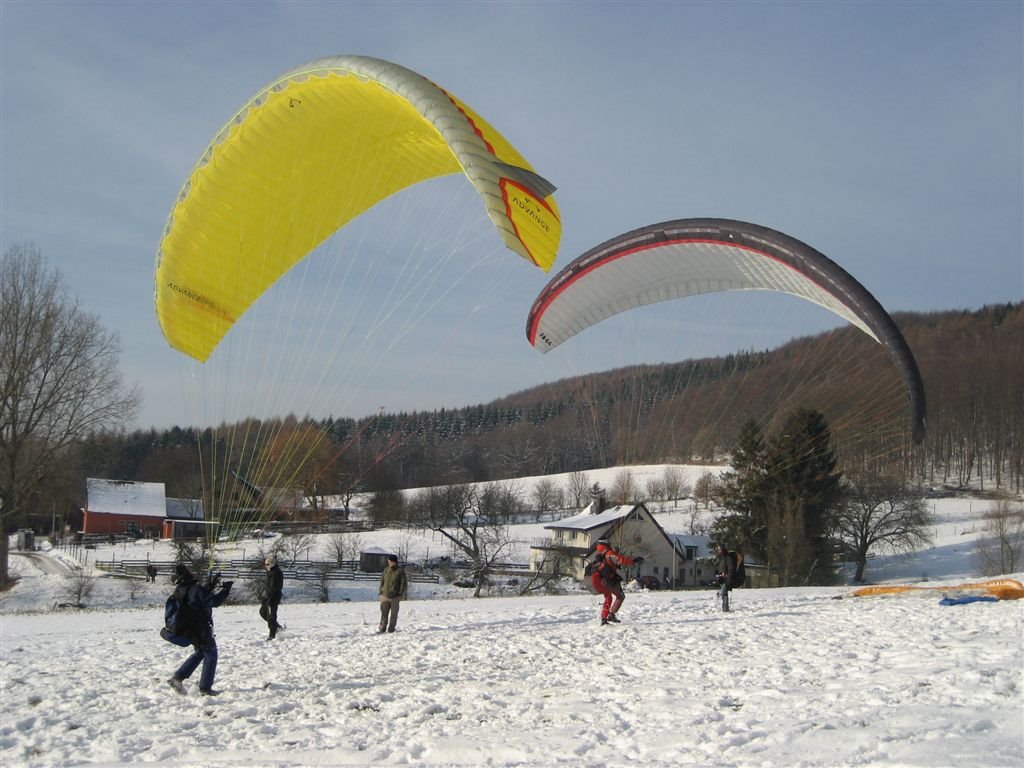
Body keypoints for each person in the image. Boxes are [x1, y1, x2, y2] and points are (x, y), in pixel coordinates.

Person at [167, 565, 232, 696]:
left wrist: (209, 587)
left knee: (201, 652)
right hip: (200, 628)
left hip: (190, 628)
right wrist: (226, 590)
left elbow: (197, 600)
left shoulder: (181, 589)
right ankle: (205, 688)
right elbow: (213, 601)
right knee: (211, 654)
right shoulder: (195, 589)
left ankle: (177, 678)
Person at [590, 538, 636, 625]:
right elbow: (622, 560)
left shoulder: (600, 555)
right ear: (606, 544)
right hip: (610, 580)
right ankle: (611, 615)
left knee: (608, 598)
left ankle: (604, 619)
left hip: (601, 580)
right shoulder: (609, 553)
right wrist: (634, 560)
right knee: (620, 596)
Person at [378, 554, 407, 633]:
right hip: (384, 596)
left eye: (390, 561)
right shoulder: (386, 570)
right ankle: (382, 628)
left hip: (394, 597)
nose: (389, 562)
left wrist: (400, 594)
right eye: (388, 561)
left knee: (393, 615)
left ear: (394, 562)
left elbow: (403, 584)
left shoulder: (400, 571)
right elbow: (382, 581)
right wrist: (380, 591)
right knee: (384, 614)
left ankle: (391, 629)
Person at [261, 555, 284, 640]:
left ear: (272, 564)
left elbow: (274, 588)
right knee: (262, 612)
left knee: (271, 616)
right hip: (267, 597)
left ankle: (272, 635)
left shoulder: (276, 573)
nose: (265, 566)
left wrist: (269, 598)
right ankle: (277, 626)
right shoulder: (271, 572)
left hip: (272, 598)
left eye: (267, 564)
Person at [715, 544, 740, 612]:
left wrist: (729, 580)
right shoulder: (722, 559)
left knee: (723, 593)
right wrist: (718, 576)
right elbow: (721, 569)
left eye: (720, 550)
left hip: (727, 579)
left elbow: (731, 570)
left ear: (723, 550)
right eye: (718, 550)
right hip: (722, 579)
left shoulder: (729, 558)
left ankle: (725, 609)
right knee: (723, 594)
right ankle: (724, 608)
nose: (719, 551)